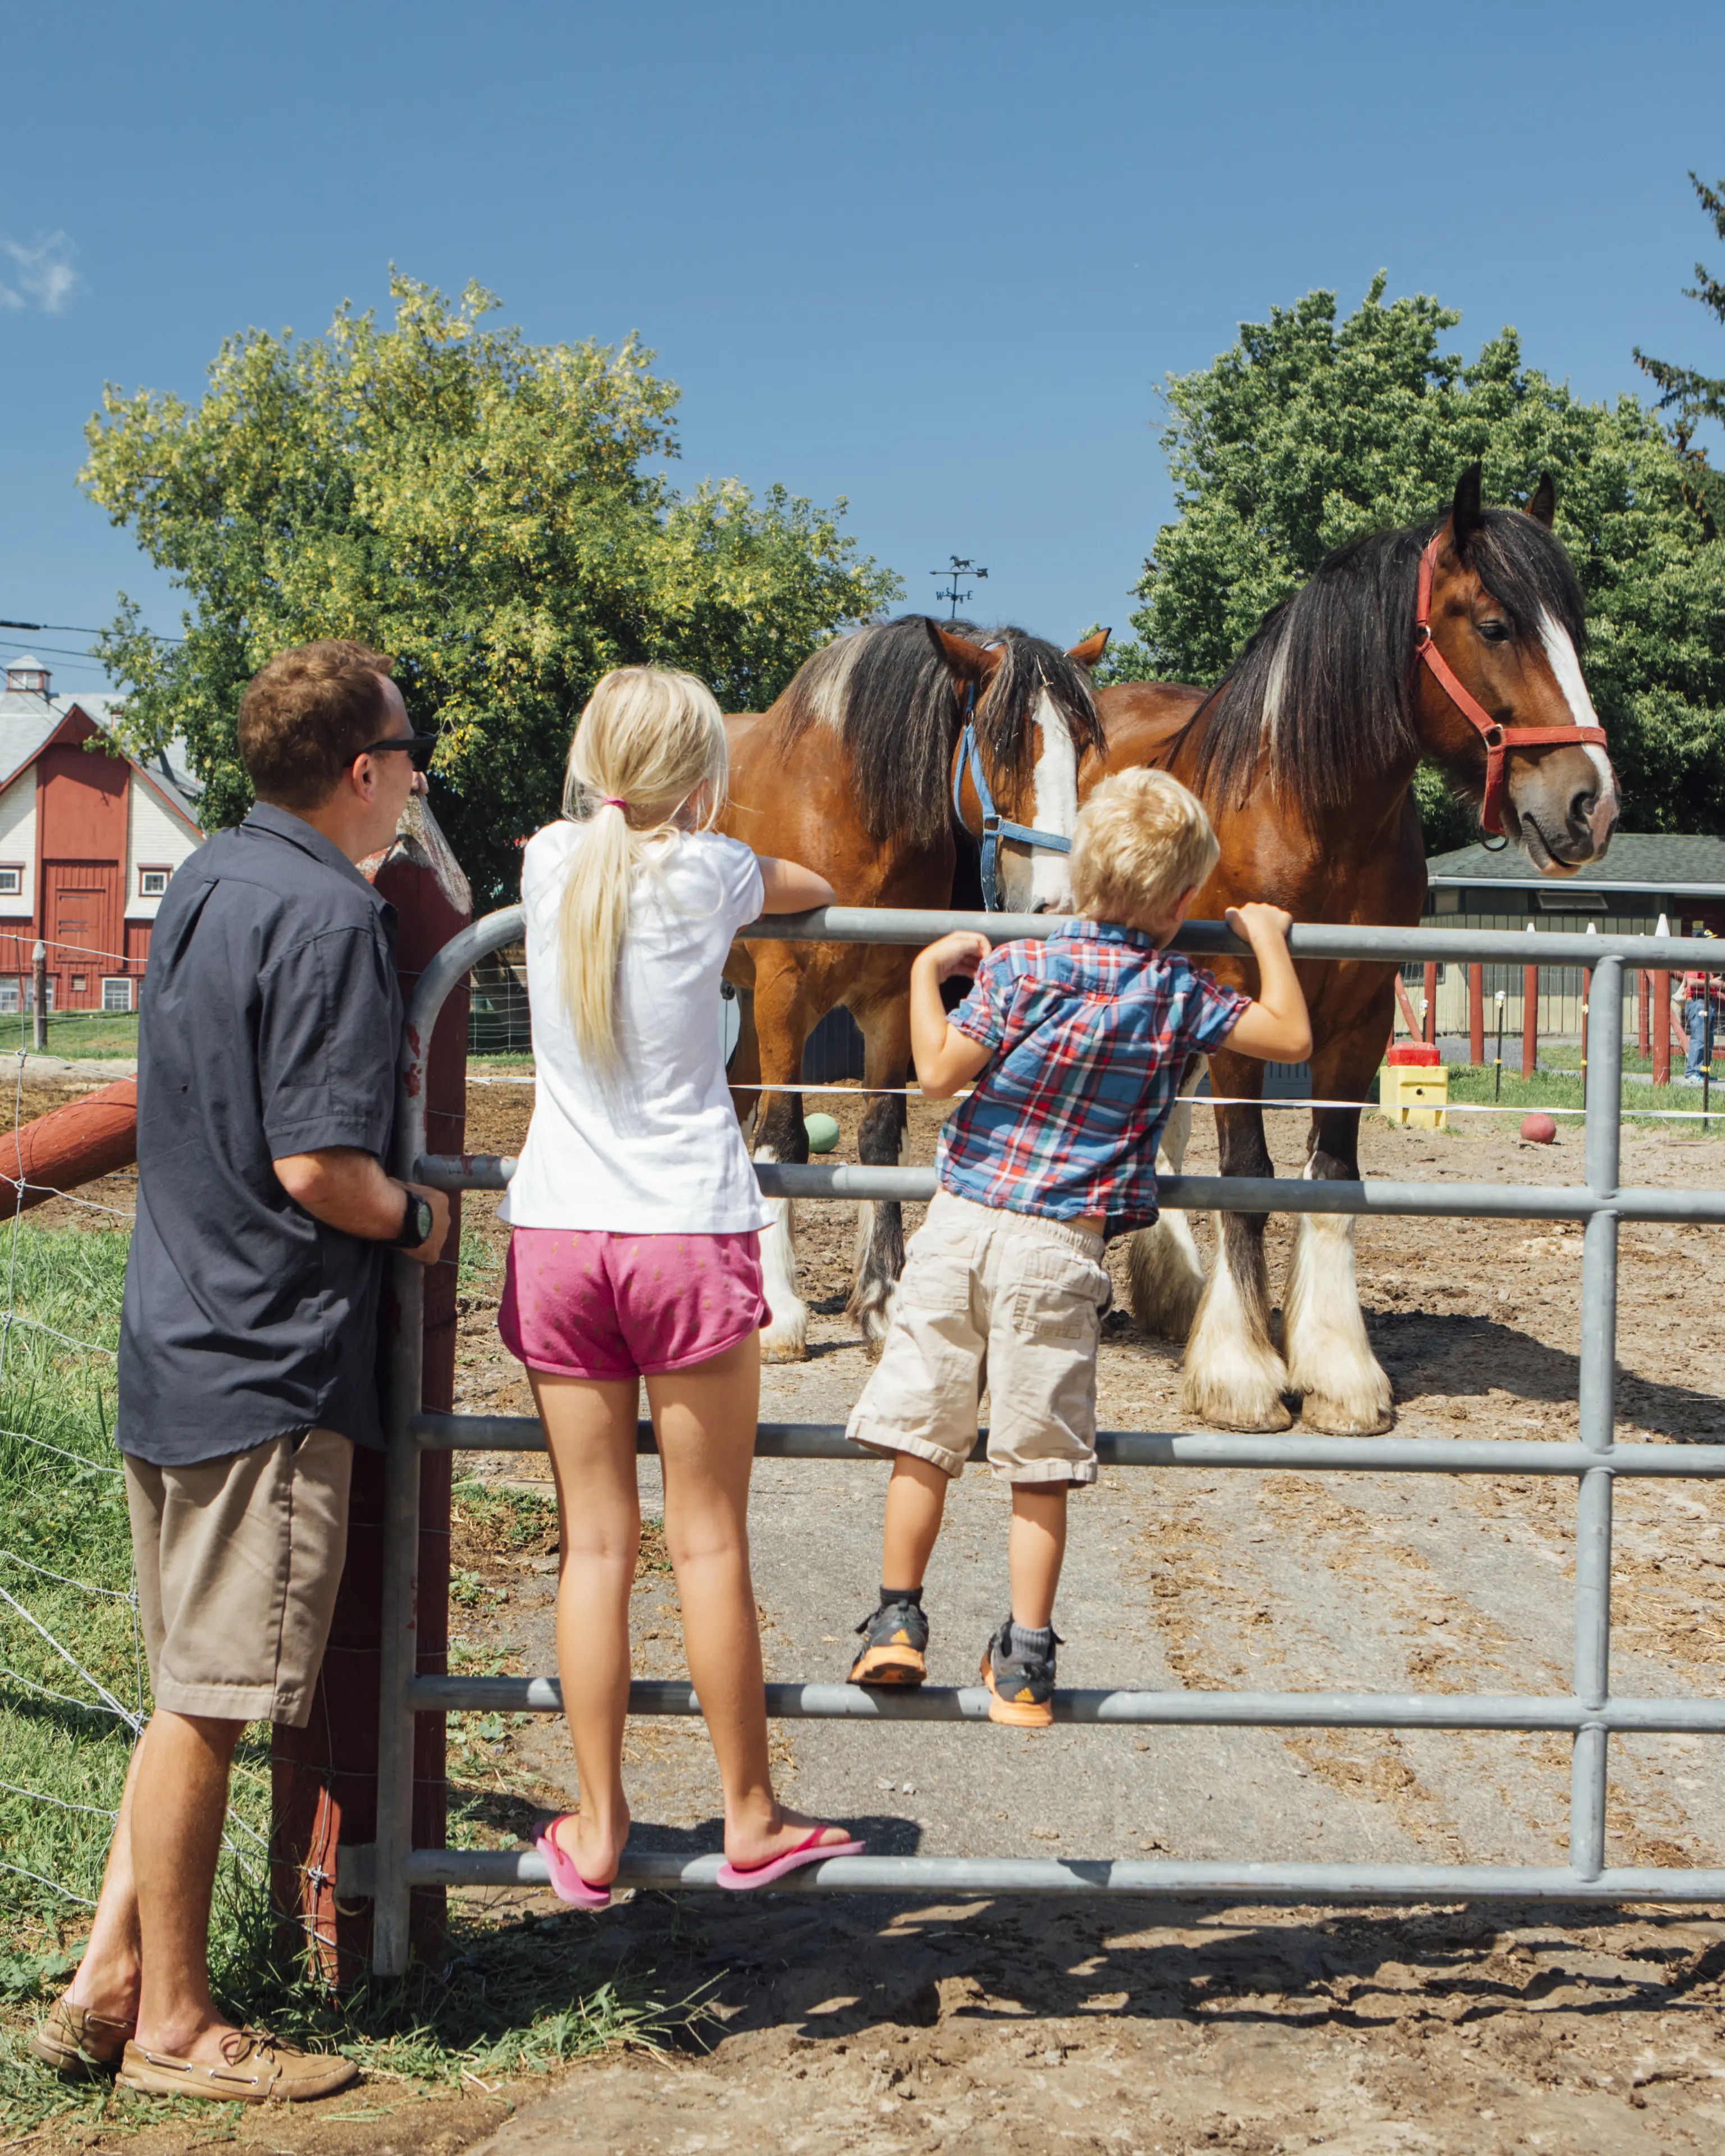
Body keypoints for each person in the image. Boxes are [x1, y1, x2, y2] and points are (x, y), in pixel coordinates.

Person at [32, 641, 451, 2103]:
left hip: (177, 1334)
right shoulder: (336, 915)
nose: (413, 775)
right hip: (274, 1357)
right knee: (209, 1703)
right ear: (361, 770)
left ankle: (103, 1985)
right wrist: (421, 1215)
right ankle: (181, 2029)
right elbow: (322, 1164)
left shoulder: (208, 876)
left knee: (182, 1690)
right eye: (408, 753)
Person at [498, 666, 863, 1900]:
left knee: (592, 1549)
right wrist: (724, 833)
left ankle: (596, 1829)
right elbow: (819, 889)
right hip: (682, 1237)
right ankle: (748, 1815)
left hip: (557, 1237)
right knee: (708, 1544)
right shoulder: (717, 873)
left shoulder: (550, 865)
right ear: (706, 779)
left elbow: (579, 835)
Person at [844, 769, 1311, 1725]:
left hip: (960, 1228)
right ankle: (1024, 1661)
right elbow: (1291, 1034)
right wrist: (1265, 943)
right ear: (1184, 904)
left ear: (1080, 875)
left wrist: (926, 975)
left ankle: (896, 1621)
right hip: (1060, 1250)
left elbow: (935, 1073)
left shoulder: (1021, 969)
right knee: (1041, 1459)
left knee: (922, 1440)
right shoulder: (1178, 990)